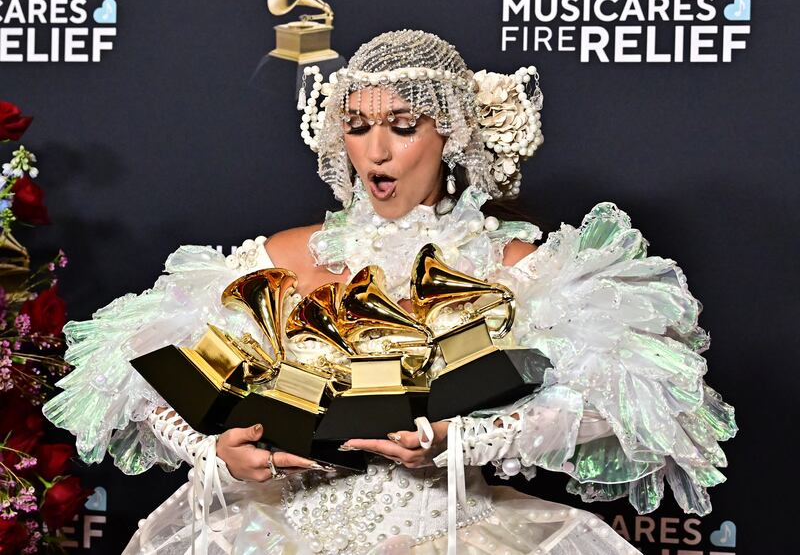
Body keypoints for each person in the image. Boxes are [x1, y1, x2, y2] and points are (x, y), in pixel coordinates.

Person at [43, 30, 736, 555]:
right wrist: (213, 450)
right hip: (268, 528)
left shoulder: (514, 265)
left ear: (452, 134)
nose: (376, 151)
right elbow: (137, 370)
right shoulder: (283, 257)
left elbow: (628, 395)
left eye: (402, 127)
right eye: (359, 125)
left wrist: (462, 439)